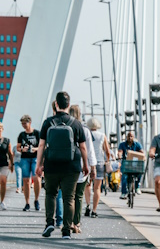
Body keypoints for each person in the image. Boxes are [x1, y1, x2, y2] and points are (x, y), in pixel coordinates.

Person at [35, 92, 90, 239]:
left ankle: (49, 223)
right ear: (69, 105)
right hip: (71, 166)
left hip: (52, 164)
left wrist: (39, 164)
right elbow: (83, 147)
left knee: (51, 194)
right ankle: (66, 230)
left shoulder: (48, 122)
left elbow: (41, 145)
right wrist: (86, 164)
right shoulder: (76, 124)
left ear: (56, 105)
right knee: (69, 197)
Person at [71, 106, 97, 234]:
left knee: (68, 196)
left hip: (66, 167)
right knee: (78, 196)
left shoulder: (64, 127)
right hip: (81, 166)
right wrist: (92, 167)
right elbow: (89, 150)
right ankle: (76, 223)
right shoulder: (84, 129)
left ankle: (67, 221)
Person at [16, 115, 41, 211]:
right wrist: (23, 149)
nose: (23, 125)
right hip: (25, 158)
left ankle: (36, 199)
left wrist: (35, 149)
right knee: (26, 181)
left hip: (35, 157)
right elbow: (18, 147)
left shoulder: (37, 133)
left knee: (36, 178)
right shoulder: (21, 135)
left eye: (24, 123)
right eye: (22, 123)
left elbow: (42, 146)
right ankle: (27, 203)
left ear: (29, 122)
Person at [85, 118, 109, 218]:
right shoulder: (102, 135)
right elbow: (107, 150)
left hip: (88, 161)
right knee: (97, 188)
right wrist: (107, 160)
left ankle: (88, 205)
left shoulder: (86, 134)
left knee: (87, 186)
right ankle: (94, 210)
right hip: (99, 162)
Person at [117, 131, 144, 199]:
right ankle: (123, 193)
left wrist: (143, 157)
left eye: (131, 136)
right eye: (128, 136)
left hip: (135, 163)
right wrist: (119, 155)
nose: (130, 138)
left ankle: (137, 187)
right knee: (124, 176)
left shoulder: (137, 144)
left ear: (133, 137)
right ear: (126, 137)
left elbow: (141, 152)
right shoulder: (122, 144)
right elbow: (120, 151)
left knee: (140, 172)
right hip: (126, 163)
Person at [0, 123, 12, 210]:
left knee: (3, 181)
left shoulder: (6, 140)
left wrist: (12, 163)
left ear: (2, 129)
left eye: (0, 128)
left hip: (4, 164)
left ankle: (2, 201)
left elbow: (10, 153)